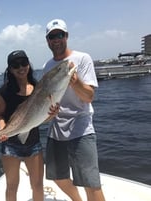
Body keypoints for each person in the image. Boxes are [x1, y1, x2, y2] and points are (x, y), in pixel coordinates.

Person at [43, 19, 106, 201]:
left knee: (90, 184)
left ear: (66, 36)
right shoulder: (48, 66)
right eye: (52, 36)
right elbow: (47, 100)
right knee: (57, 177)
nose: (56, 39)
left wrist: (75, 81)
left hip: (81, 129)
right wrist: (49, 111)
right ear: (47, 40)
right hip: (56, 130)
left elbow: (88, 97)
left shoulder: (82, 59)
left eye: (60, 35)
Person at [0, 50, 49, 201]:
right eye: (15, 65)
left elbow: (42, 118)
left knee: (38, 185)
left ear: (29, 64)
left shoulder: (39, 88)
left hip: (33, 144)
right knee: (12, 186)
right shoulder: (3, 92)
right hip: (10, 144)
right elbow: (0, 115)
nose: (21, 68)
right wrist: (2, 129)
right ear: (10, 69)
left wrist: (52, 114)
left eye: (24, 63)